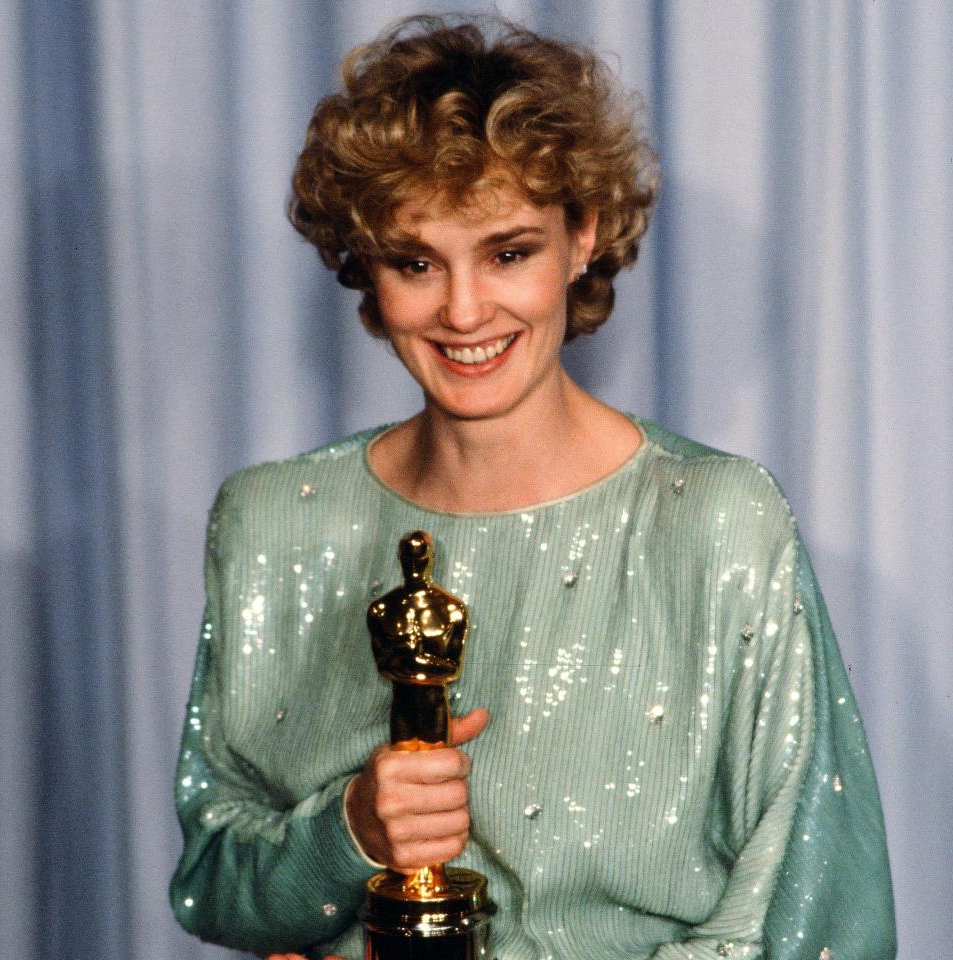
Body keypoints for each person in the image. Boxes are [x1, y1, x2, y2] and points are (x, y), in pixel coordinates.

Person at [170, 15, 896, 960]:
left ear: (584, 234)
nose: (464, 311)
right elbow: (212, 887)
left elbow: (811, 907)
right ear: (365, 265)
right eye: (415, 262)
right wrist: (344, 832)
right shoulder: (269, 524)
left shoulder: (721, 521)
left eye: (508, 252)